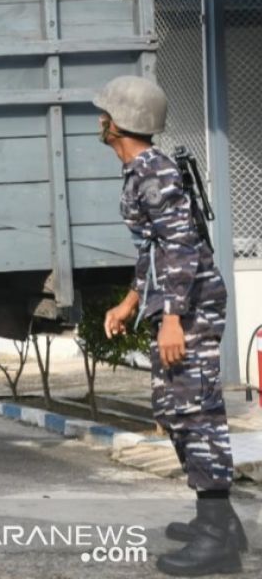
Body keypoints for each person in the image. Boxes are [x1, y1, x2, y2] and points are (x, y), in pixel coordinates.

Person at [97, 75, 246, 576]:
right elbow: (154, 250)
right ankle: (222, 522)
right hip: (177, 300)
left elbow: (181, 248)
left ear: (118, 124)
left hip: (192, 304)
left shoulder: (153, 173)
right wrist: (130, 302)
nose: (101, 120)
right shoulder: (142, 169)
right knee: (176, 406)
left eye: (105, 114)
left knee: (194, 411)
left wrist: (174, 319)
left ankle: (216, 541)